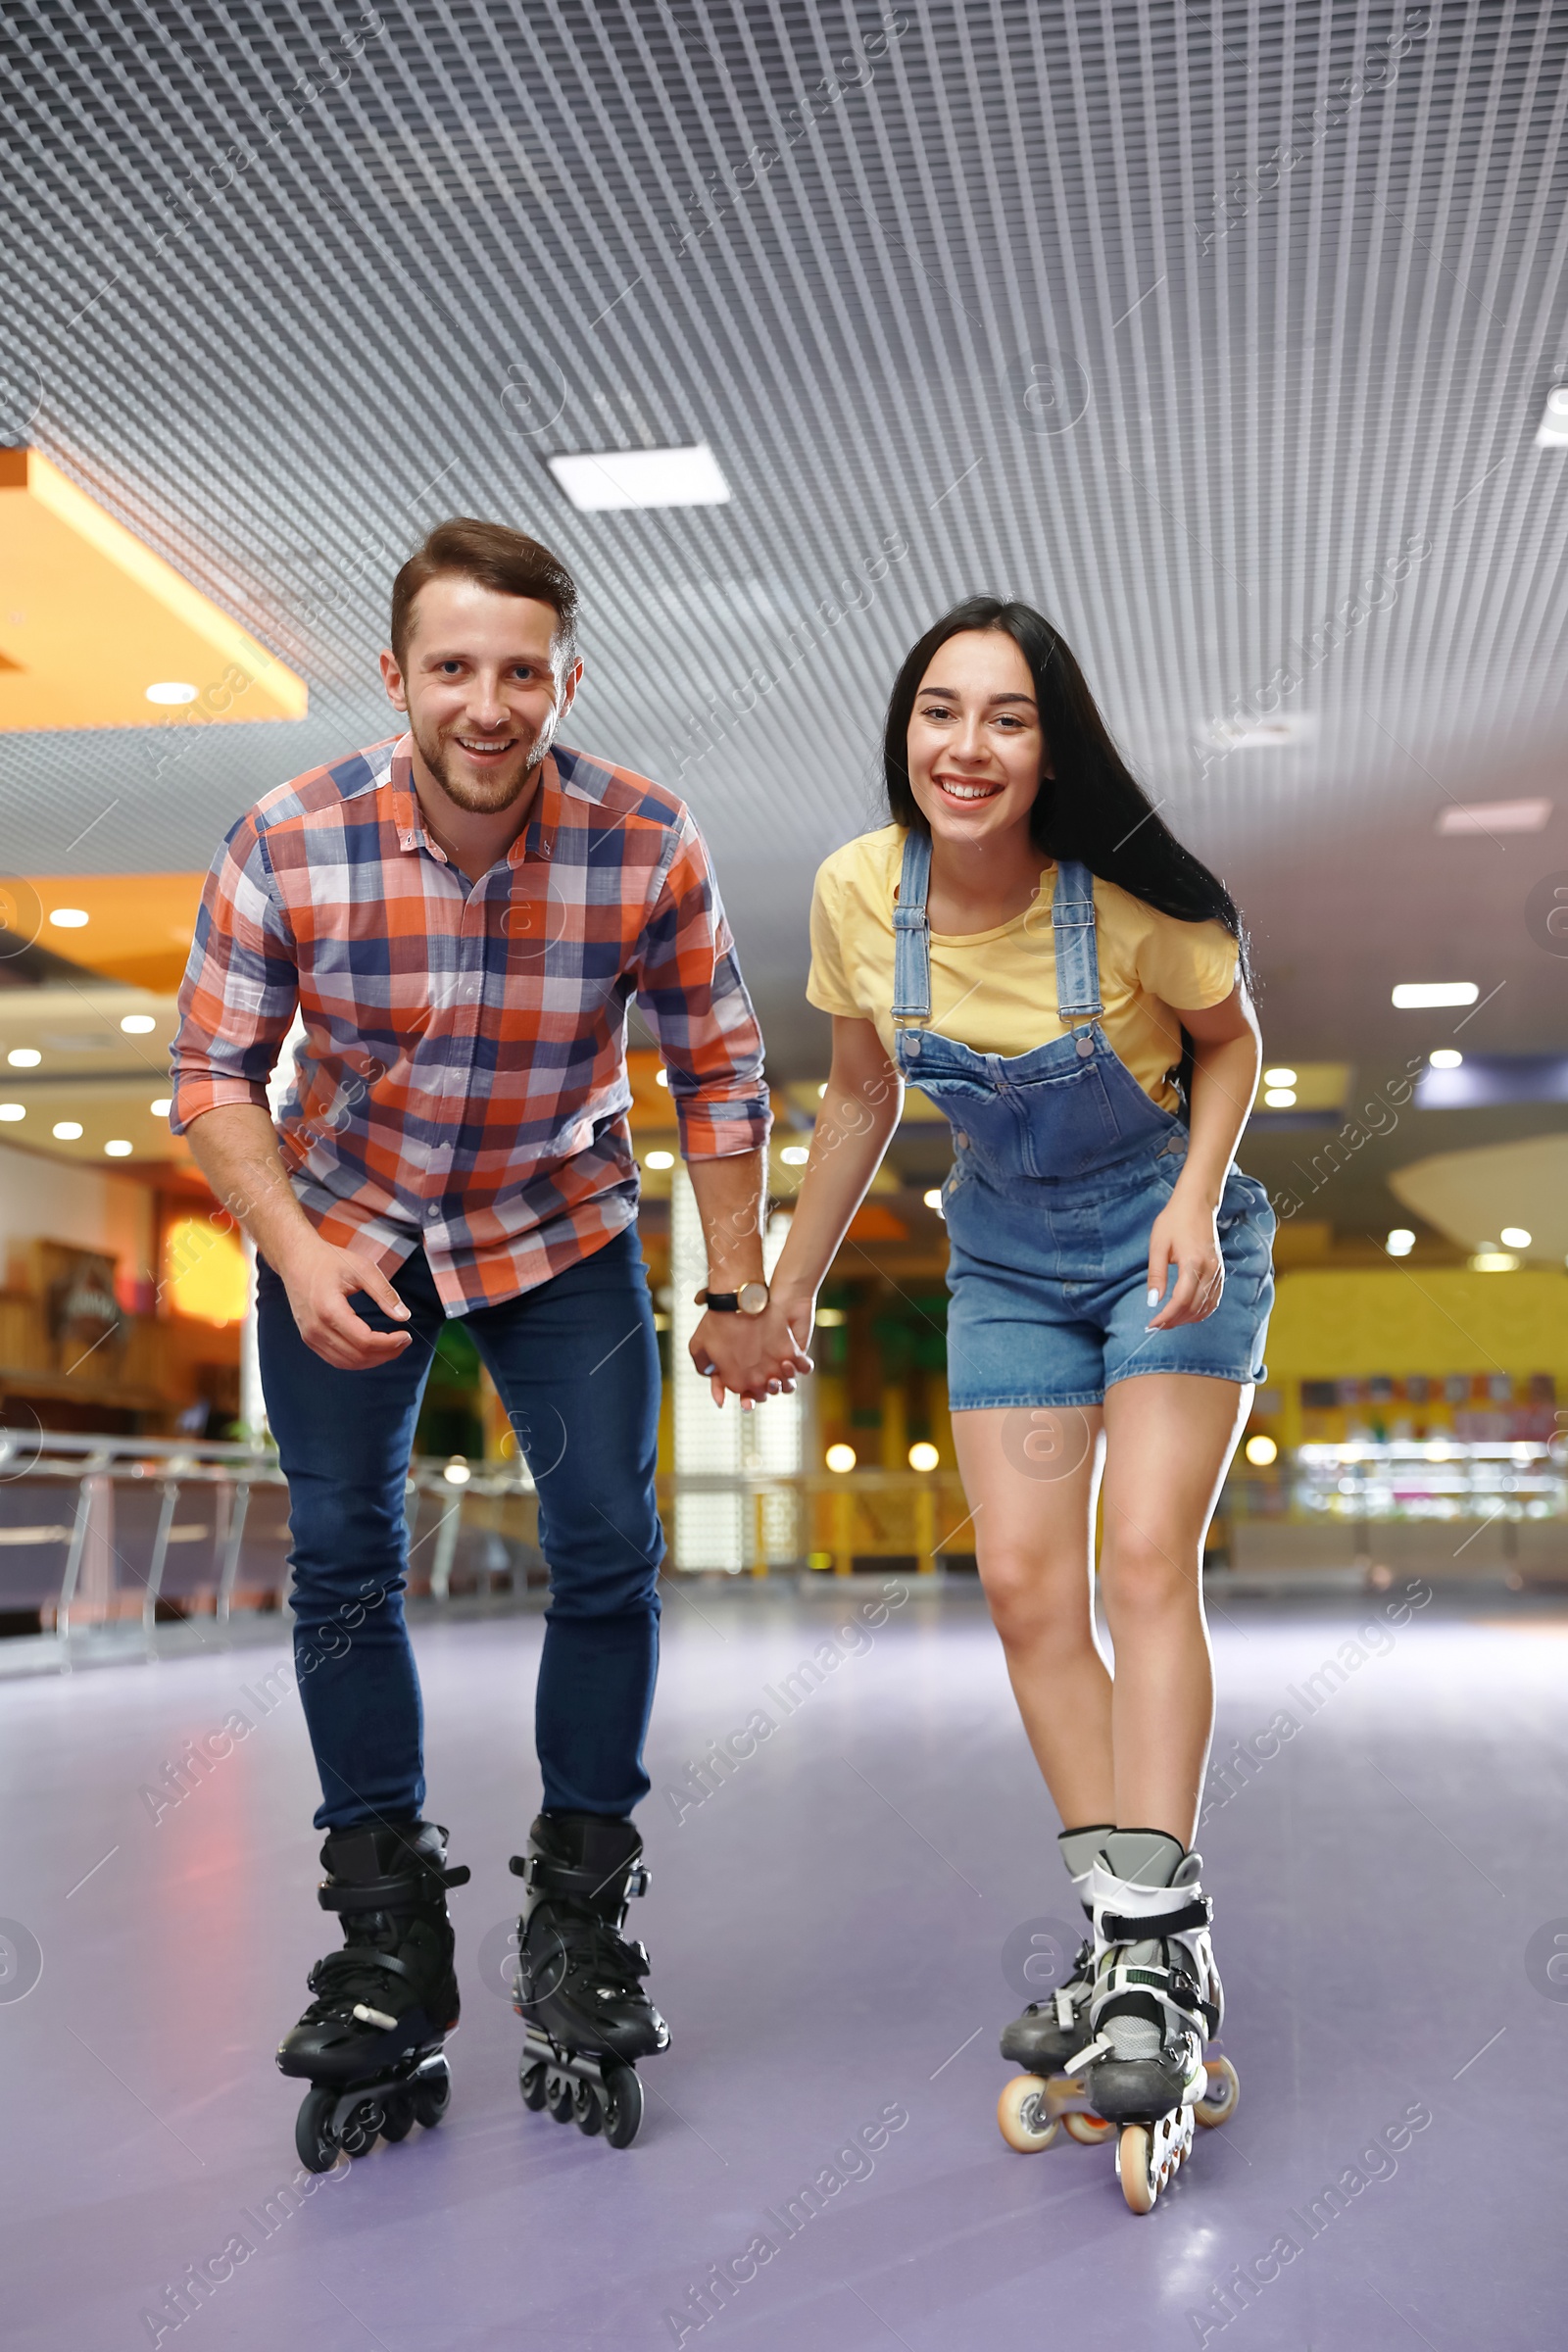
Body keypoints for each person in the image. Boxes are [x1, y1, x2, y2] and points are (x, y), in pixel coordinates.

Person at [171, 517, 783, 2162]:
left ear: (565, 679)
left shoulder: (644, 838)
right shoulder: (289, 838)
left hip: (555, 1228)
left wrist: (733, 1285)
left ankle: (579, 1914)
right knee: (344, 1561)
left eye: (523, 671)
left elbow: (720, 1067)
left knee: (605, 1549)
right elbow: (216, 1076)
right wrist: (291, 1249)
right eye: (455, 668)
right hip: (347, 1229)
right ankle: (387, 1934)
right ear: (398, 678)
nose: (489, 703)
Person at [754, 597, 1274, 2211]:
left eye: (1005, 718)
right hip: (1006, 1261)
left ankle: (1161, 1962)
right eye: (939, 712)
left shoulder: (1126, 900)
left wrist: (1196, 1195)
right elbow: (856, 1096)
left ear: (1053, 745)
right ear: (905, 729)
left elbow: (1233, 1047)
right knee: (1025, 1589)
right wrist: (778, 1291)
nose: (965, 748)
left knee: (1136, 1567)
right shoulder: (861, 893)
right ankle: (1133, 1944)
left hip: (1167, 1248)